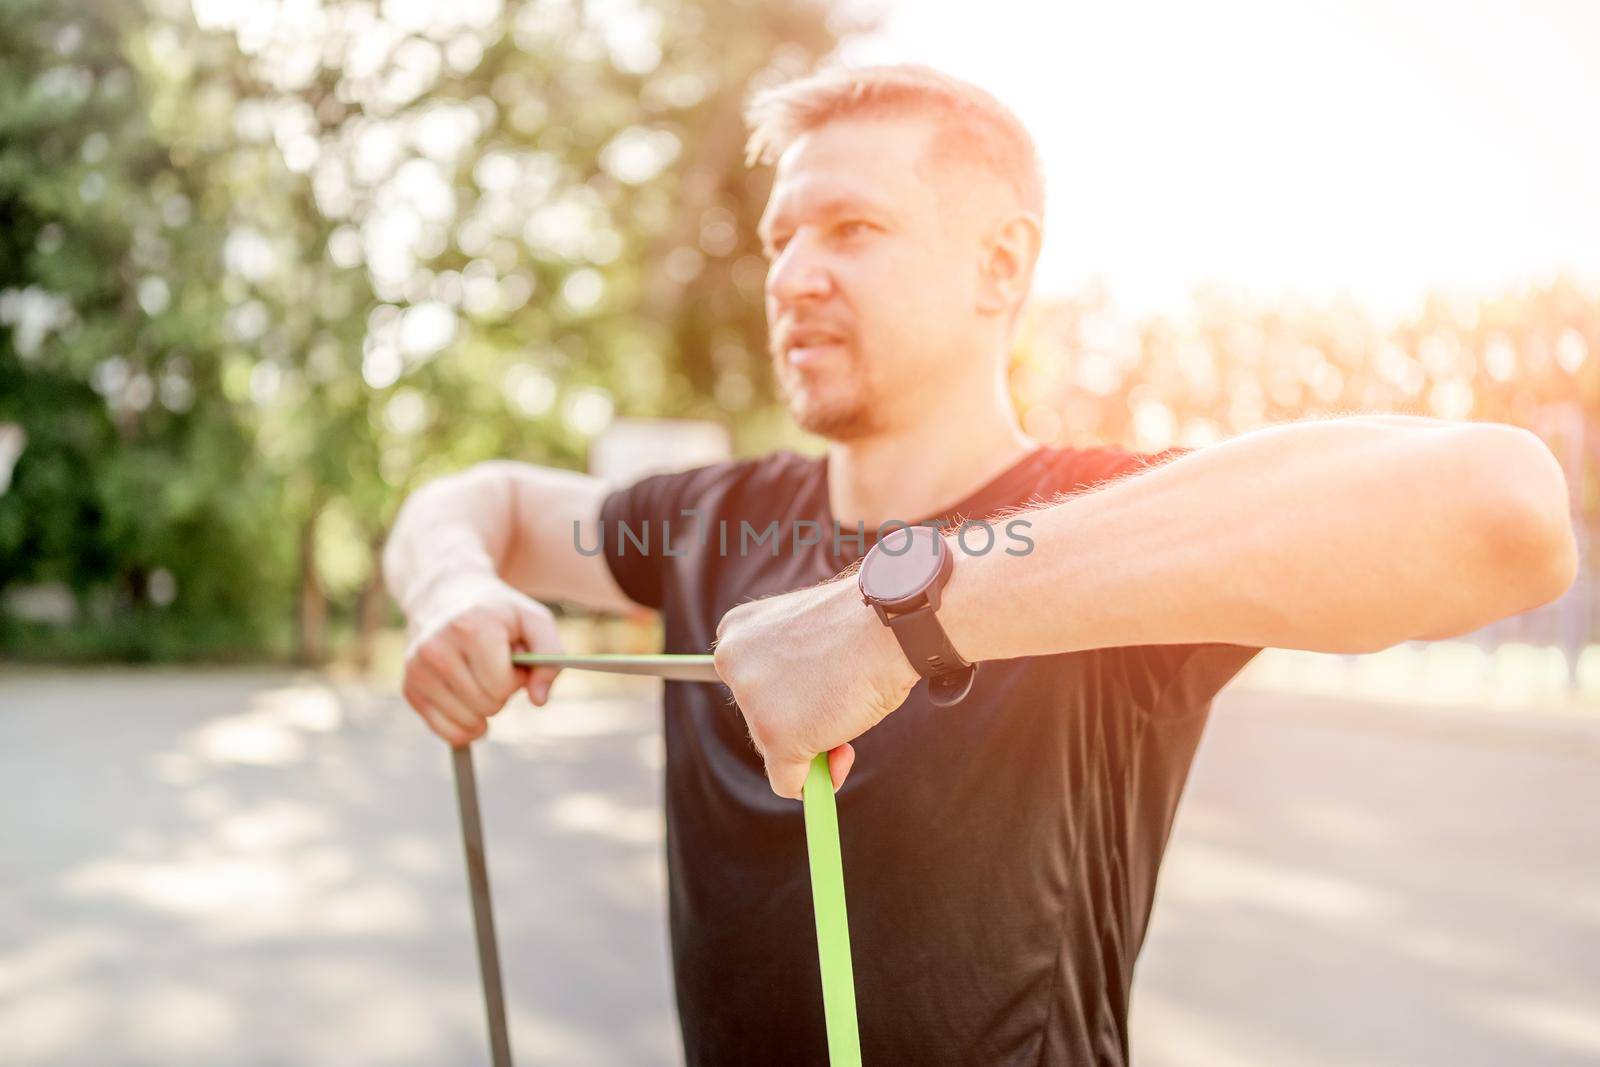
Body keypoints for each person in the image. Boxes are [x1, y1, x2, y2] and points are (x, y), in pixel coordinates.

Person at [383, 64, 1577, 1066]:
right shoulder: (708, 521)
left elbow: (1505, 511)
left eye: (852, 228)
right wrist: (452, 586)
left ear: (1000, 266)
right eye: (780, 237)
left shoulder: (1115, 523)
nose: (793, 274)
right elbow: (473, 503)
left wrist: (895, 615)